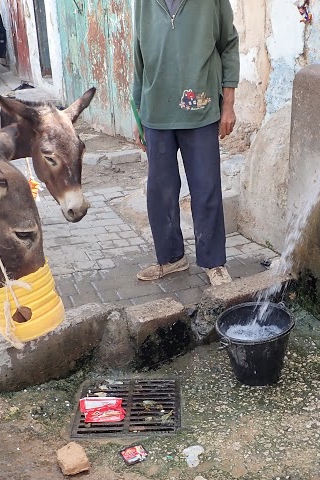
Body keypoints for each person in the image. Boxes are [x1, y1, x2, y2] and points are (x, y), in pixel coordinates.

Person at [131, 0, 239, 286]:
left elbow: (229, 44)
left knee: (206, 188)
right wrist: (138, 112)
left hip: (200, 107)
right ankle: (171, 259)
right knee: (160, 191)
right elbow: (138, 54)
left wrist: (228, 105)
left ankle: (214, 262)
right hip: (156, 110)